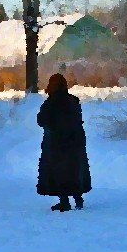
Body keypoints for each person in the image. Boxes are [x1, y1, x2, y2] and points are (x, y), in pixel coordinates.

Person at [37, 73, 91, 212]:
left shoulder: (51, 102)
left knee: (59, 171)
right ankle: (78, 199)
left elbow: (41, 120)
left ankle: (64, 201)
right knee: (75, 169)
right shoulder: (73, 100)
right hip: (76, 141)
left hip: (57, 142)